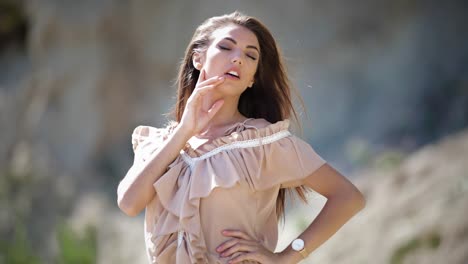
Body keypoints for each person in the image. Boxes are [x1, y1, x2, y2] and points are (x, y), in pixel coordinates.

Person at [117, 11, 365, 264]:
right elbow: (129, 203)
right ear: (198, 59)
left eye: (250, 55)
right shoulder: (161, 143)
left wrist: (287, 257)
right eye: (226, 47)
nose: (238, 59)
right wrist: (184, 131)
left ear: (252, 79)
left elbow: (348, 197)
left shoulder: (264, 143)